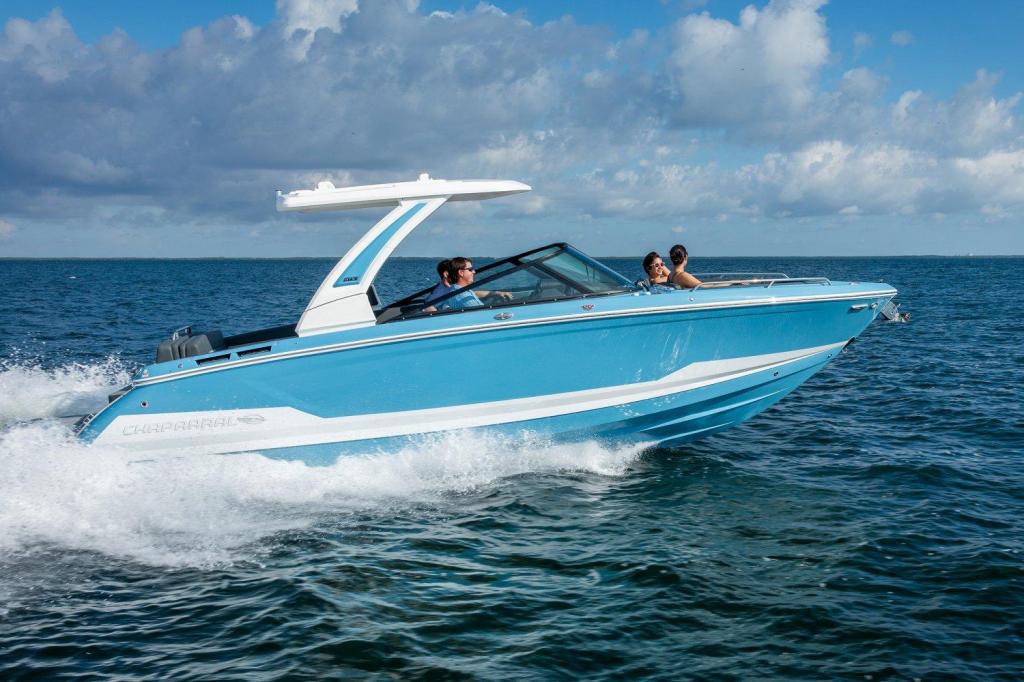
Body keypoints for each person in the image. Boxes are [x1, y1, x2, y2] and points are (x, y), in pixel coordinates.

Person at [438, 257, 513, 310]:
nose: (474, 272)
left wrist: (496, 293)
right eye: (470, 269)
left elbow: (475, 293)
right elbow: (483, 315)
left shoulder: (459, 290)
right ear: (461, 273)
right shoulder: (463, 296)